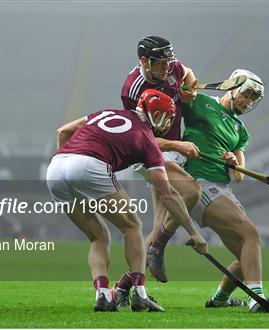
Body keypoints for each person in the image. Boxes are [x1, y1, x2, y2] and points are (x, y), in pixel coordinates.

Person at [46, 89, 208, 312]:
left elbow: (62, 131)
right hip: (90, 165)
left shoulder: (106, 113)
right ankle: (140, 294)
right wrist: (194, 233)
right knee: (133, 227)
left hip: (56, 168)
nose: (167, 122)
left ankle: (103, 295)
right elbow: (169, 194)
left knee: (99, 237)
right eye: (165, 116)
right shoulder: (148, 140)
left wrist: (66, 163)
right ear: (153, 113)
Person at [148, 69, 269, 312]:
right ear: (233, 88)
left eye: (253, 99)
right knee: (251, 235)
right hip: (199, 183)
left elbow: (239, 176)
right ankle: (257, 299)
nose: (248, 102)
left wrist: (234, 162)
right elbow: (182, 85)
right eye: (247, 94)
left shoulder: (240, 129)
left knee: (247, 257)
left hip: (224, 188)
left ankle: (220, 299)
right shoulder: (201, 103)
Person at [113, 36, 203, 303]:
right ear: (144, 61)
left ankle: (121, 288)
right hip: (149, 152)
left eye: (168, 62)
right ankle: (158, 246)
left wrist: (191, 90)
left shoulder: (173, 67)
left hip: (173, 147)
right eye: (161, 64)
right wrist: (179, 144)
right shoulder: (132, 89)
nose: (167, 68)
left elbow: (188, 75)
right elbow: (141, 136)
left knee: (158, 225)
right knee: (190, 192)